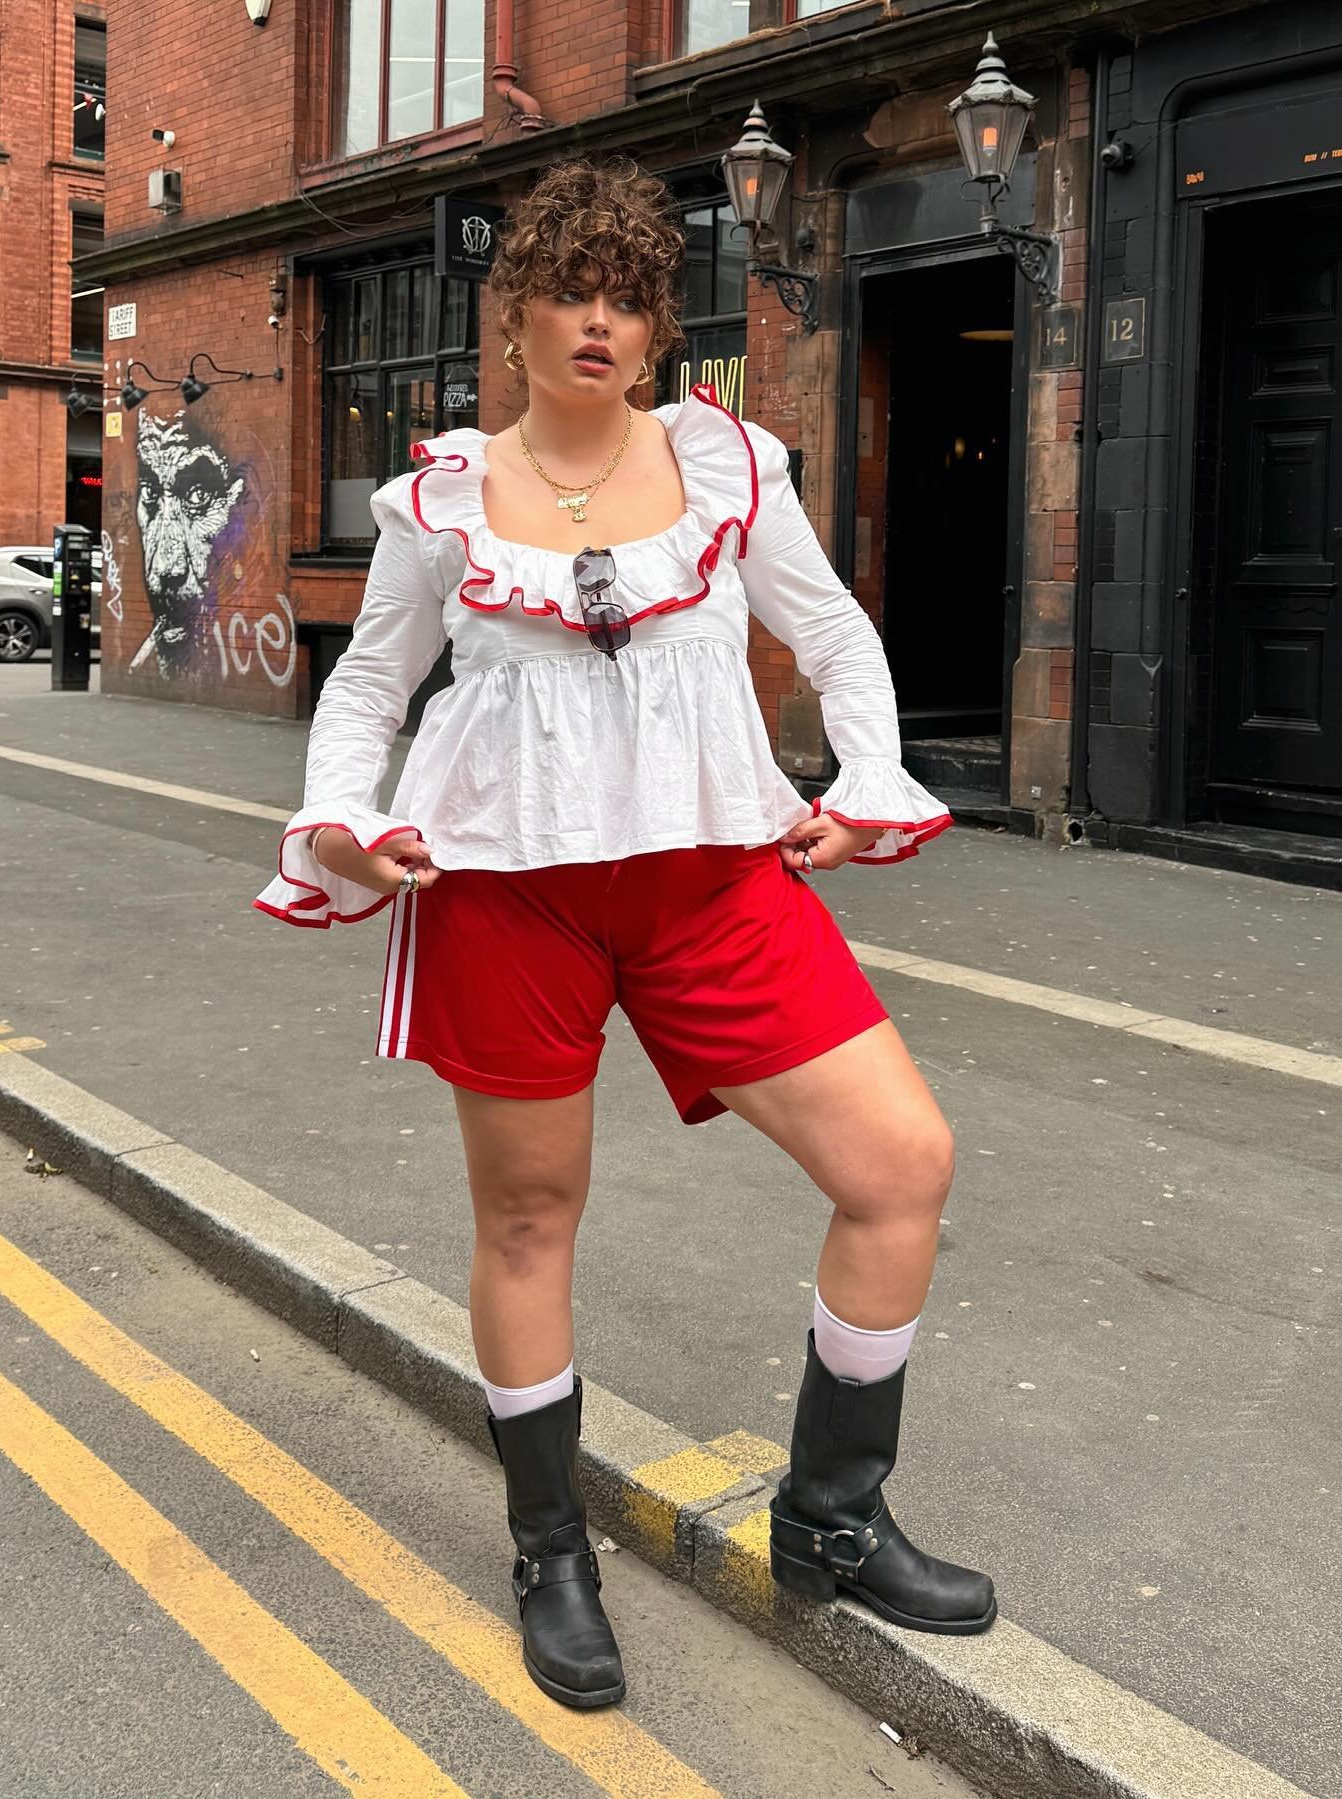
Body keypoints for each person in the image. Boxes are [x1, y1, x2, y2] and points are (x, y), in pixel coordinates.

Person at [256, 157, 995, 1711]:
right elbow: (371, 689)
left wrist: (866, 777)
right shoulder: (439, 498)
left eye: (632, 297)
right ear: (514, 316)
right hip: (505, 893)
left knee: (899, 1163)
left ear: (658, 333)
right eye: (570, 291)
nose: (601, 320)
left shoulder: (730, 466)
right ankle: (550, 1550)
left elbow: (836, 631)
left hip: (713, 883)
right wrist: (343, 815)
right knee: (531, 1220)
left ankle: (833, 1523)